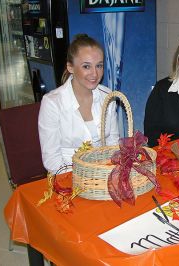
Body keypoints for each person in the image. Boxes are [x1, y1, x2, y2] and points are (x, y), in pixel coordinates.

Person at [38, 34, 119, 173]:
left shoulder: (108, 96)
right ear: (70, 67)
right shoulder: (52, 103)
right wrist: (82, 181)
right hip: (68, 177)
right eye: (86, 66)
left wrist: (109, 172)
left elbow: (113, 143)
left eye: (99, 65)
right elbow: (52, 159)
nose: (95, 73)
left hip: (103, 175)